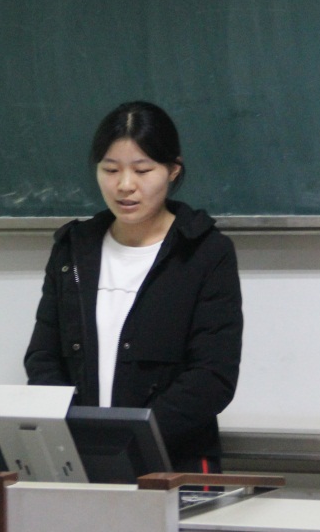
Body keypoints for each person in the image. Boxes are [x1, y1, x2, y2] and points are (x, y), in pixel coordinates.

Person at [24, 101, 243, 473]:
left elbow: (212, 375)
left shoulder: (205, 252)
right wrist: (78, 436)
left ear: (173, 170)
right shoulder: (73, 249)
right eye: (110, 170)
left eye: (142, 170)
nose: (125, 185)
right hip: (81, 459)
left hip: (174, 463)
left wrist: (134, 438)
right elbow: (43, 358)